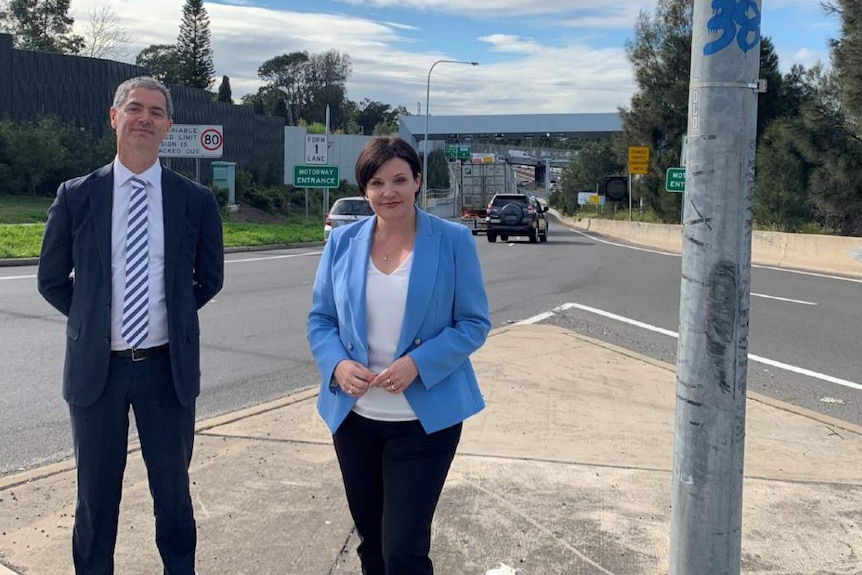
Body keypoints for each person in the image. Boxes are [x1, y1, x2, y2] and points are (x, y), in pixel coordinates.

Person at [37, 76, 224, 575]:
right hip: (97, 373)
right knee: (95, 500)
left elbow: (209, 278)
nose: (145, 118)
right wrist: (94, 319)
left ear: (167, 127)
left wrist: (173, 318)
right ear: (114, 117)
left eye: (156, 112)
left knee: (174, 496)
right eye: (135, 108)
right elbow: (52, 280)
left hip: (167, 371)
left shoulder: (195, 200)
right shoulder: (77, 196)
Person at [307, 136, 491, 575]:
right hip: (354, 420)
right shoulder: (342, 243)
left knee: (404, 550)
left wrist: (418, 364)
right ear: (364, 189)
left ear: (417, 183)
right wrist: (336, 362)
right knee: (373, 545)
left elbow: (473, 323)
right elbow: (321, 319)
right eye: (376, 182)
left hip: (423, 425)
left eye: (399, 180)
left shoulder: (452, 241)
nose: (388, 192)